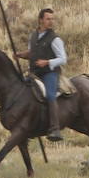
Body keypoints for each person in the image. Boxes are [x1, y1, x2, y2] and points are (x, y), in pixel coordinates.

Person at [14, 7, 67, 141]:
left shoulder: (55, 39)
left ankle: (55, 129)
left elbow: (63, 59)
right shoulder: (33, 36)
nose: (51, 21)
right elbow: (32, 53)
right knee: (20, 91)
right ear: (40, 20)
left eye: (52, 19)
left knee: (50, 95)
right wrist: (21, 55)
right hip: (34, 73)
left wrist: (48, 62)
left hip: (49, 73)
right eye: (48, 19)